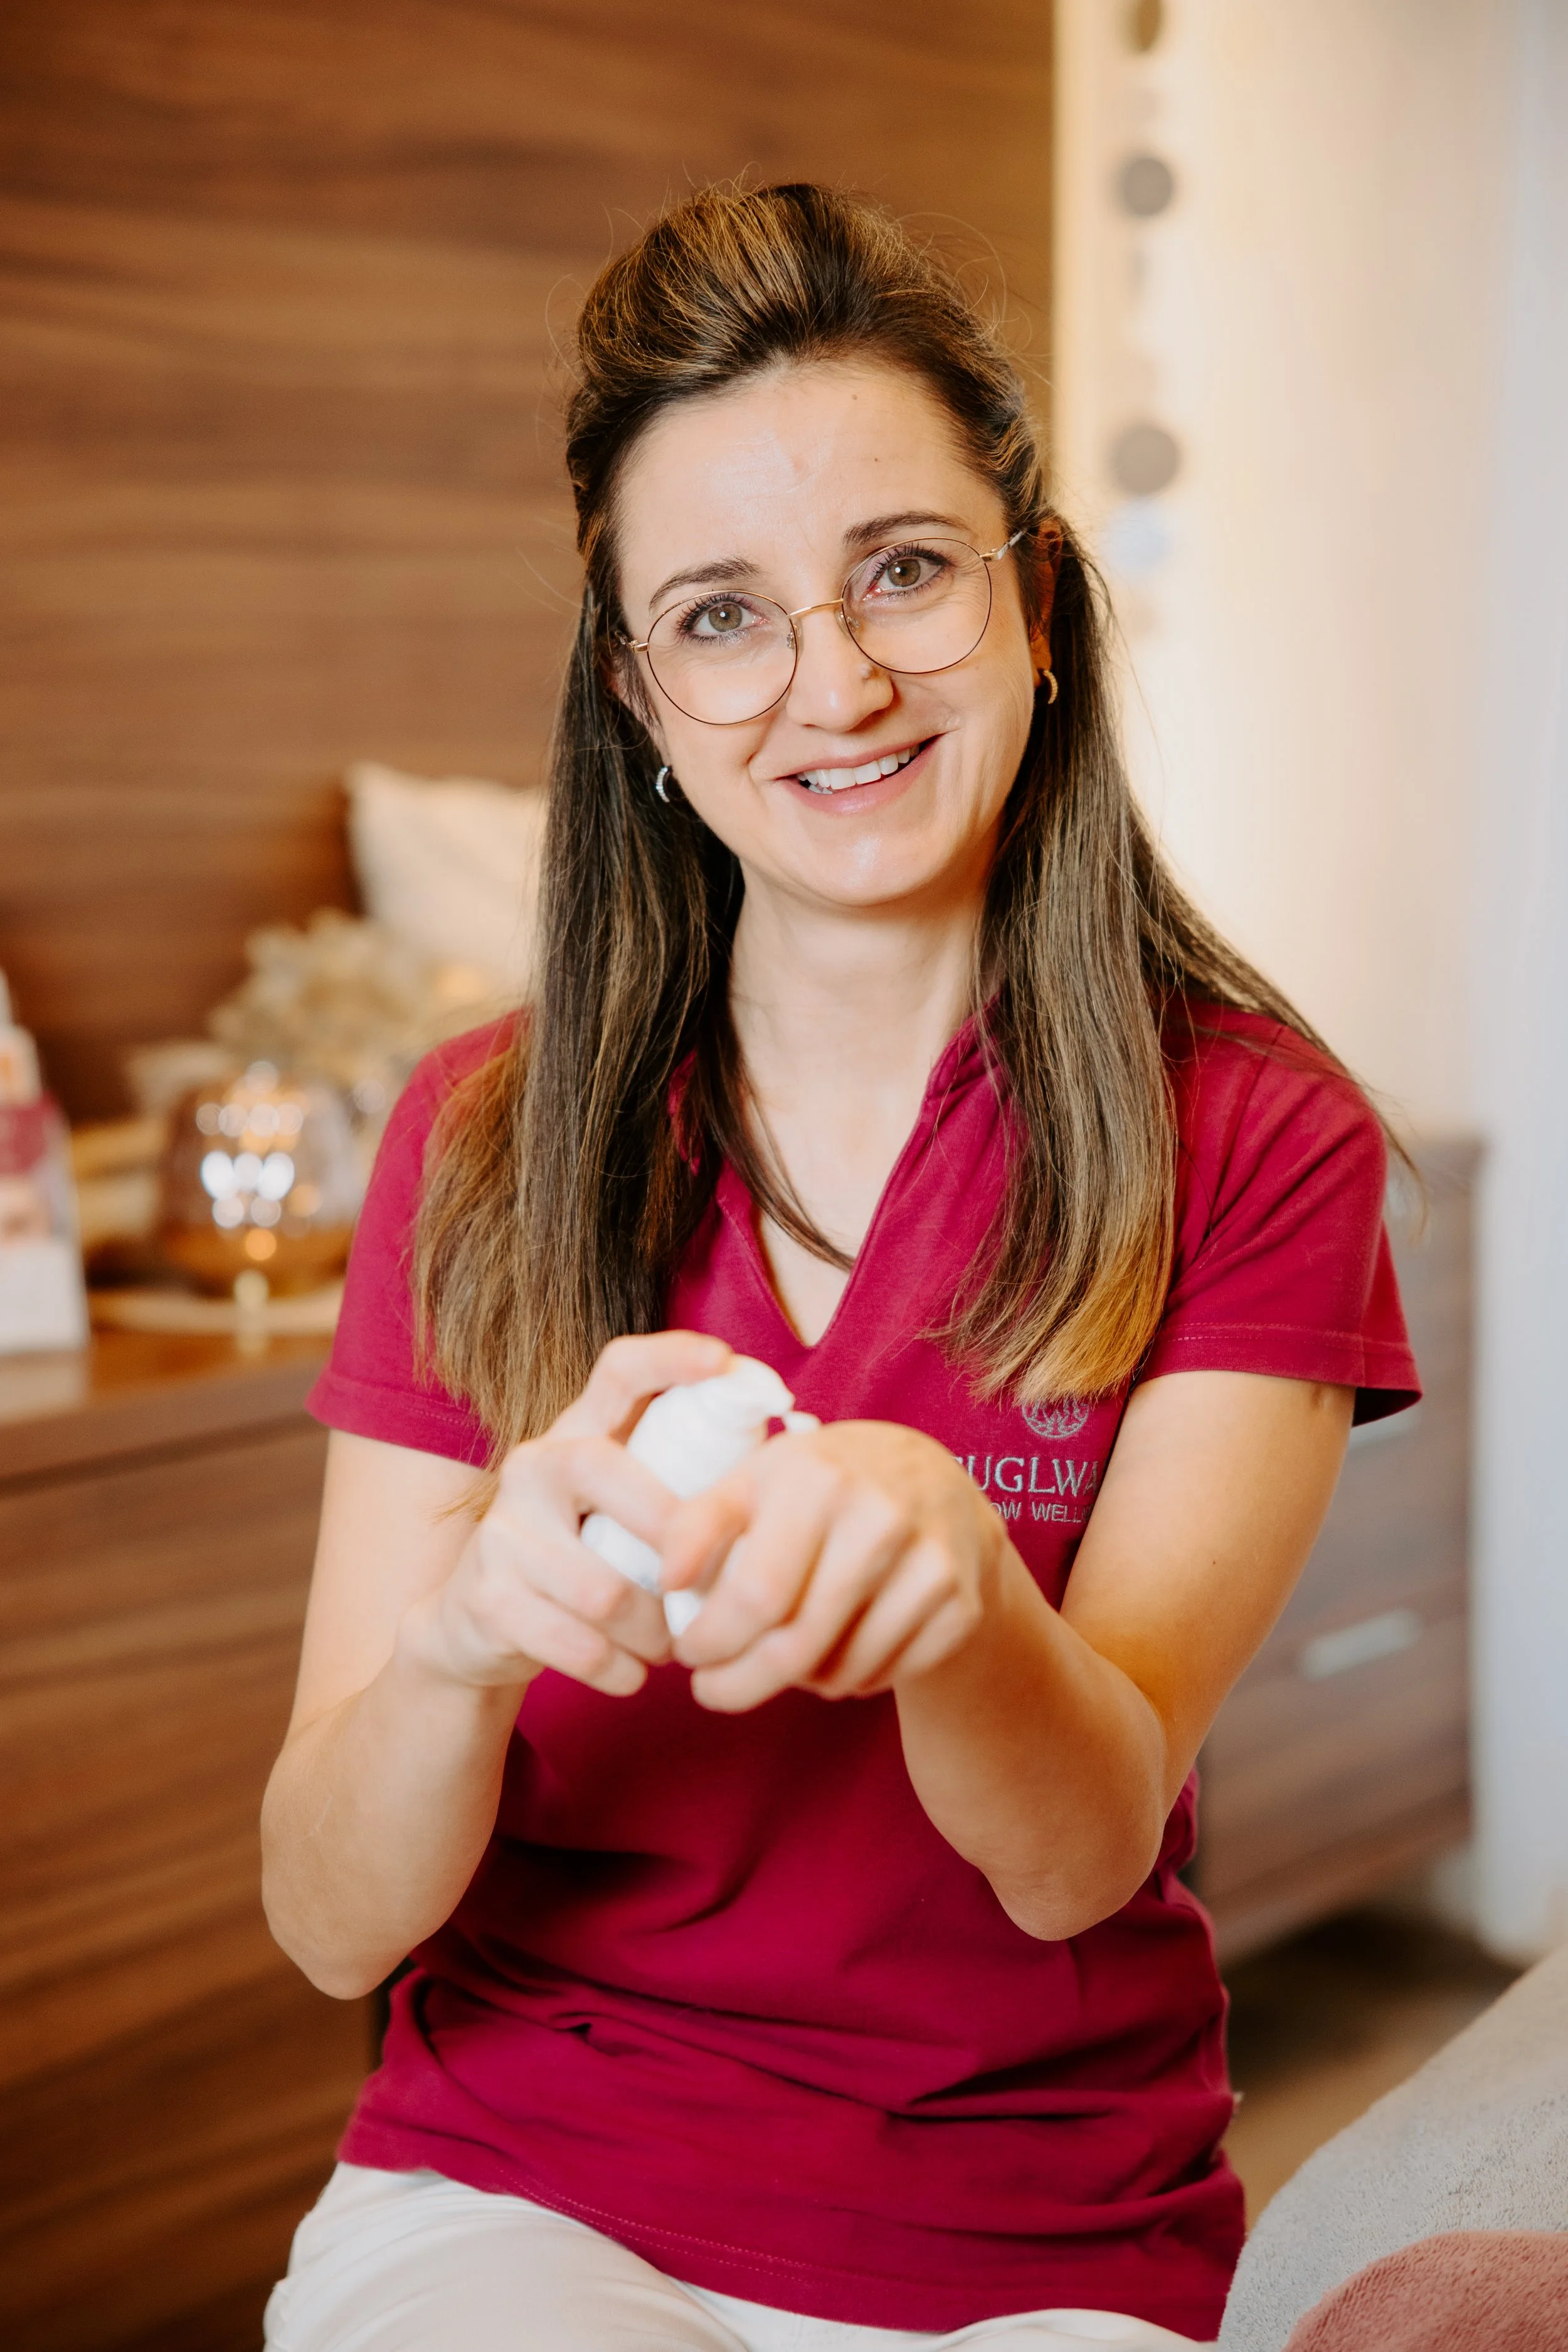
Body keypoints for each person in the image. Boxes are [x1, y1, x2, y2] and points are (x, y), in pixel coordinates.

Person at [260, 183, 1419, 2352]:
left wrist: (965, 1600)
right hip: (526, 2193)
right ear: (637, 691)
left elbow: (1075, 1857)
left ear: (1038, 599)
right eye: (720, 615)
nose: (836, 680)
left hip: (1033, 2240)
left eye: (901, 571)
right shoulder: (484, 1138)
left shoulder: (1252, 1134)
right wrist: (458, 1643)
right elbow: (329, 1922)